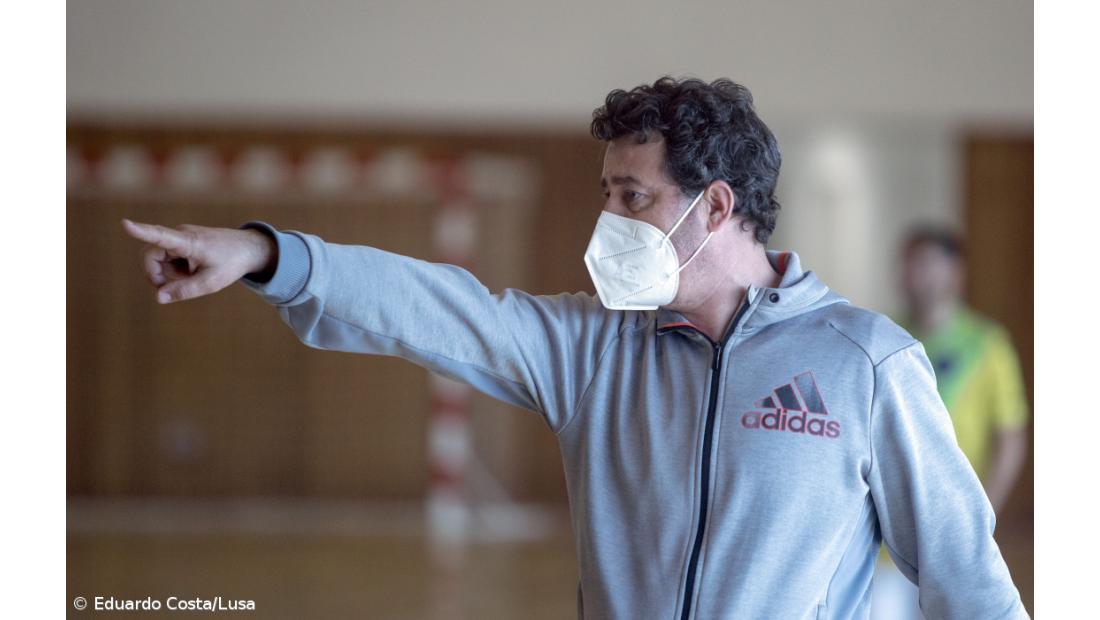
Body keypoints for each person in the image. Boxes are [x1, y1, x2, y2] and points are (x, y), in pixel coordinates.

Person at [121, 77, 1027, 619]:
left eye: (632, 197)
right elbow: (438, 308)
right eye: (605, 194)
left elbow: (964, 574)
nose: (608, 219)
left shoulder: (865, 362)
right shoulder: (593, 350)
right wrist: (272, 254)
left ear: (714, 207)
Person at [871, 227, 1031, 620]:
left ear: (955, 272)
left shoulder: (987, 344)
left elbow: (1011, 436)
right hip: (885, 546)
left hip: (954, 538)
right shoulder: (881, 334)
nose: (912, 273)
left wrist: (983, 513)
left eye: (925, 262)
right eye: (907, 263)